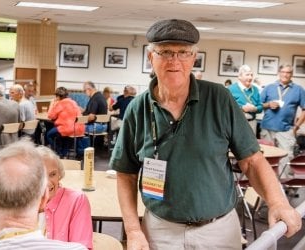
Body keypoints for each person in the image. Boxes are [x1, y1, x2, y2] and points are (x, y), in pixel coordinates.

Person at [110, 19, 301, 250]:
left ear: (194, 57)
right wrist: (133, 231)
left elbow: (251, 161)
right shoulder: (137, 108)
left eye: (183, 53)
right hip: (160, 230)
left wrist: (278, 202)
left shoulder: (219, 98)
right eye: (166, 52)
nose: (175, 61)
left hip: (218, 230)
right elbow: (126, 175)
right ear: (151, 58)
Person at [0, 144, 93, 249]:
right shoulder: (21, 200)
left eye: (53, 174)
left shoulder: (76, 200)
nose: (47, 183)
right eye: (41, 177)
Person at [261, 63, 305, 177]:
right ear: (279, 73)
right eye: (283, 72)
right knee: (266, 158)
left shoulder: (298, 90)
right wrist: (269, 104)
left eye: (288, 72)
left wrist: (296, 127)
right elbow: (258, 105)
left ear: (292, 75)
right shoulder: (269, 87)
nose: (285, 75)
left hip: (286, 130)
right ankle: (268, 185)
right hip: (267, 128)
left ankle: (284, 189)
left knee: (286, 158)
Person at [46, 87, 85, 157]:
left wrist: (52, 103)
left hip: (67, 128)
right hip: (78, 129)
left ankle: (58, 152)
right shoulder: (73, 102)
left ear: (58, 96)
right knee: (64, 137)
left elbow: (50, 116)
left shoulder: (60, 104)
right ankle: (63, 154)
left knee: (49, 135)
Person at [228, 65, 263, 134]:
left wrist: (254, 109)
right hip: (236, 123)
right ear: (239, 76)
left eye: (251, 75)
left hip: (252, 123)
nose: (250, 77)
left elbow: (261, 107)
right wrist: (242, 108)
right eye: (247, 75)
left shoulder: (255, 89)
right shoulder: (231, 89)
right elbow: (226, 107)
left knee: (251, 144)